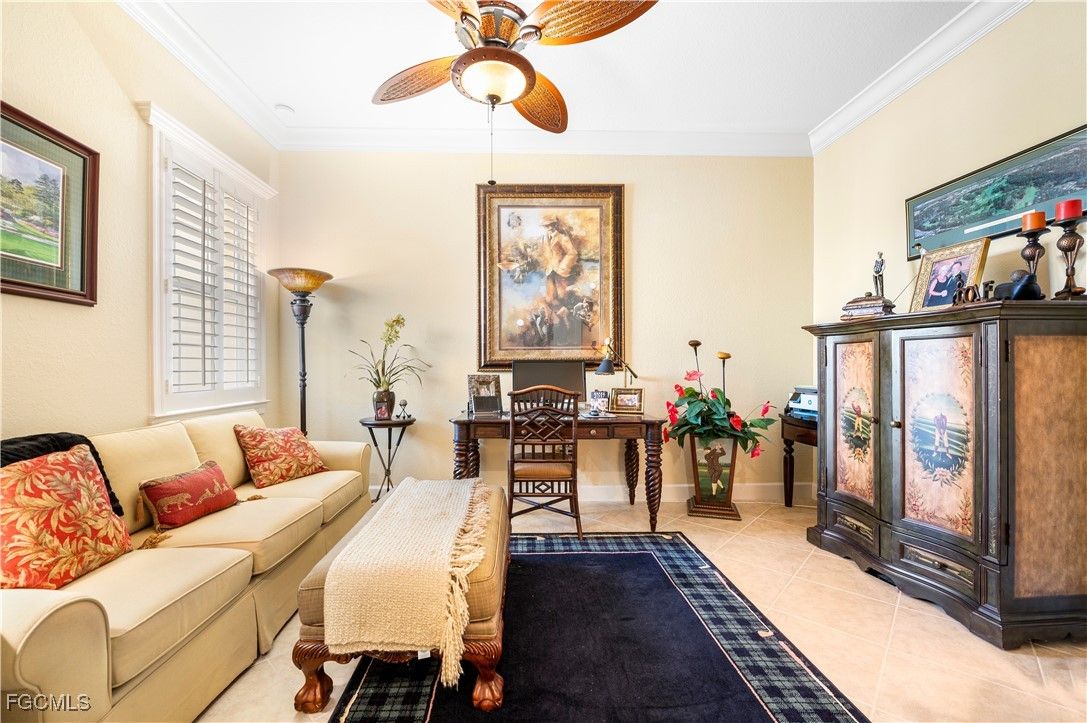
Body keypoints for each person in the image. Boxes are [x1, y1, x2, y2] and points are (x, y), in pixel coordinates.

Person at [540, 214, 580, 308]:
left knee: (562, 297)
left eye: (551, 225)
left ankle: (565, 313)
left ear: (555, 225)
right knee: (550, 298)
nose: (549, 227)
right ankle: (552, 314)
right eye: (546, 226)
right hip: (550, 270)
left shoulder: (562, 237)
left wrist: (562, 268)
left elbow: (572, 253)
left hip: (561, 272)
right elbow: (545, 253)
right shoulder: (544, 238)